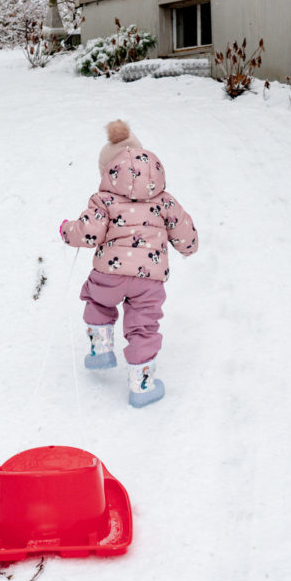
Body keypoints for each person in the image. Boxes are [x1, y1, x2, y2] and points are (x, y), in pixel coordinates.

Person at [60, 120, 198, 407]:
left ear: (108, 172)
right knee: (143, 327)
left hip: (109, 273)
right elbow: (184, 230)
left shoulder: (104, 200)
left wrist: (66, 230)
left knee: (97, 301)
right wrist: (189, 246)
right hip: (149, 280)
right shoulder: (165, 201)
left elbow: (88, 231)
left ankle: (101, 352)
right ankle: (142, 387)